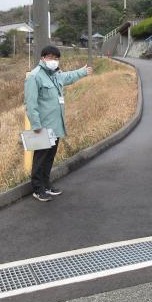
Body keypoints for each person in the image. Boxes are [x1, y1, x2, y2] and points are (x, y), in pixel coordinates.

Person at [24, 45, 93, 202]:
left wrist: (82, 71)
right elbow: (30, 104)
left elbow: (68, 77)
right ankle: (37, 188)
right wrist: (36, 126)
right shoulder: (34, 76)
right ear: (42, 58)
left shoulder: (55, 74)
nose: (53, 61)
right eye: (50, 57)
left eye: (56, 58)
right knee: (40, 158)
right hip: (42, 126)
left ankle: (46, 184)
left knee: (50, 157)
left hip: (56, 125)